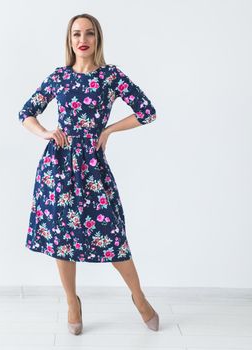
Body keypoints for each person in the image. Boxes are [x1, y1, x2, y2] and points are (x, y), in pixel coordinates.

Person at [18, 13, 159, 335]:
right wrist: (44, 133)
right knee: (62, 238)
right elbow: (26, 113)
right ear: (69, 40)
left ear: (98, 39)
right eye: (76, 34)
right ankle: (72, 302)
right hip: (57, 166)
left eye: (90, 33)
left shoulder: (111, 76)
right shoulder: (59, 77)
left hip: (93, 165)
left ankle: (138, 297)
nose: (83, 39)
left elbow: (146, 112)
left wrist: (108, 130)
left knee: (111, 235)